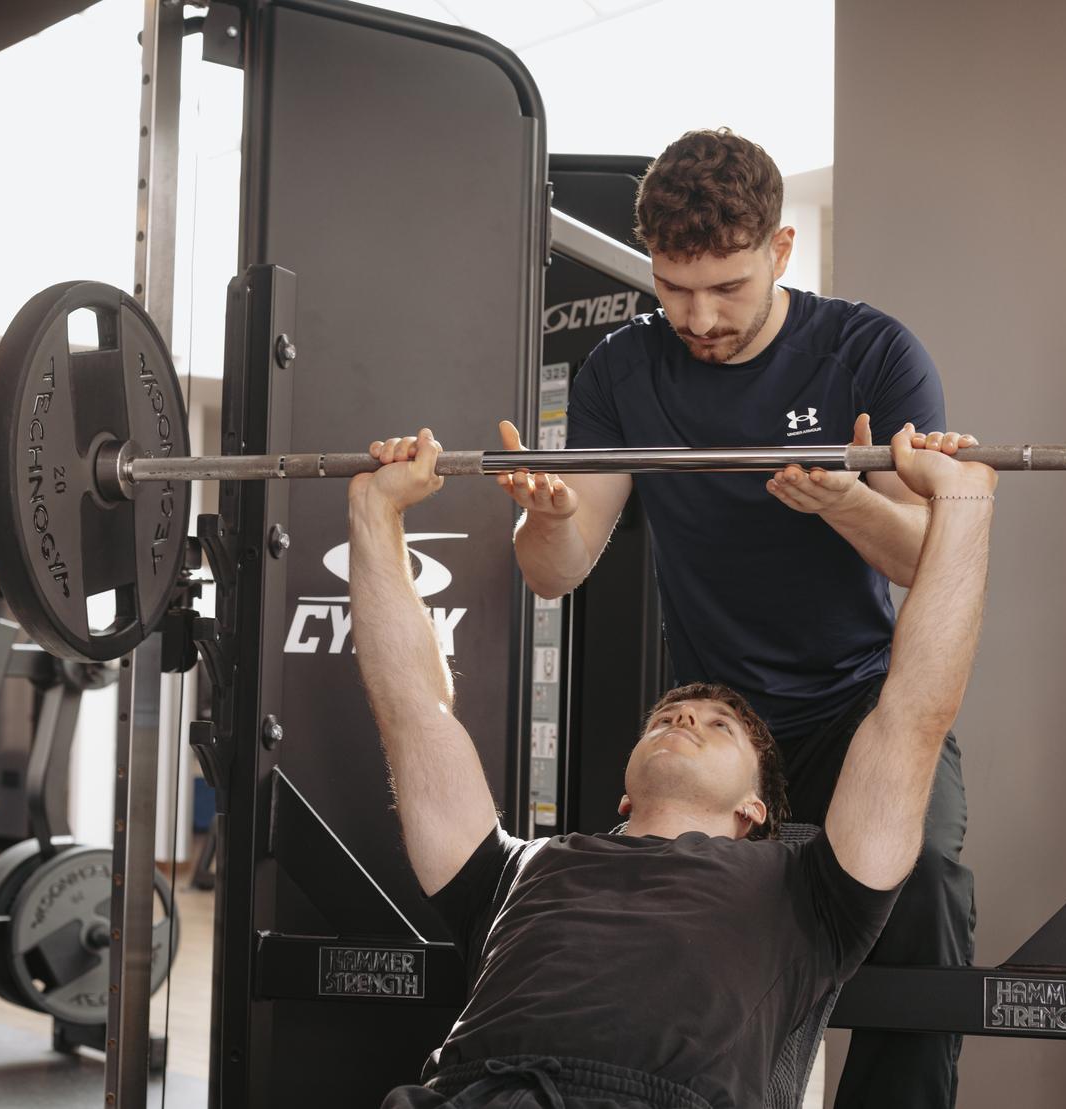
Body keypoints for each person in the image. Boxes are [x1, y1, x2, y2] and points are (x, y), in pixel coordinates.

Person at [498, 127, 972, 1105]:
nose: (699, 316)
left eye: (727, 288)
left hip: (852, 707)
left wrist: (850, 503)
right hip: (720, 719)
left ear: (781, 251)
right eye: (674, 289)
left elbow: (938, 556)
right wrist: (543, 517)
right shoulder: (622, 372)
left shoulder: (867, 352)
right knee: (669, 927)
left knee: (918, 894)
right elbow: (558, 568)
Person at [349, 426, 994, 1109]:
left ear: (755, 810)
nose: (686, 717)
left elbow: (912, 713)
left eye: (719, 727)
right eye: (668, 716)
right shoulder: (513, 872)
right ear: (623, 795)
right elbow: (412, 710)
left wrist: (963, 500)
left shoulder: (809, 894)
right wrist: (374, 510)